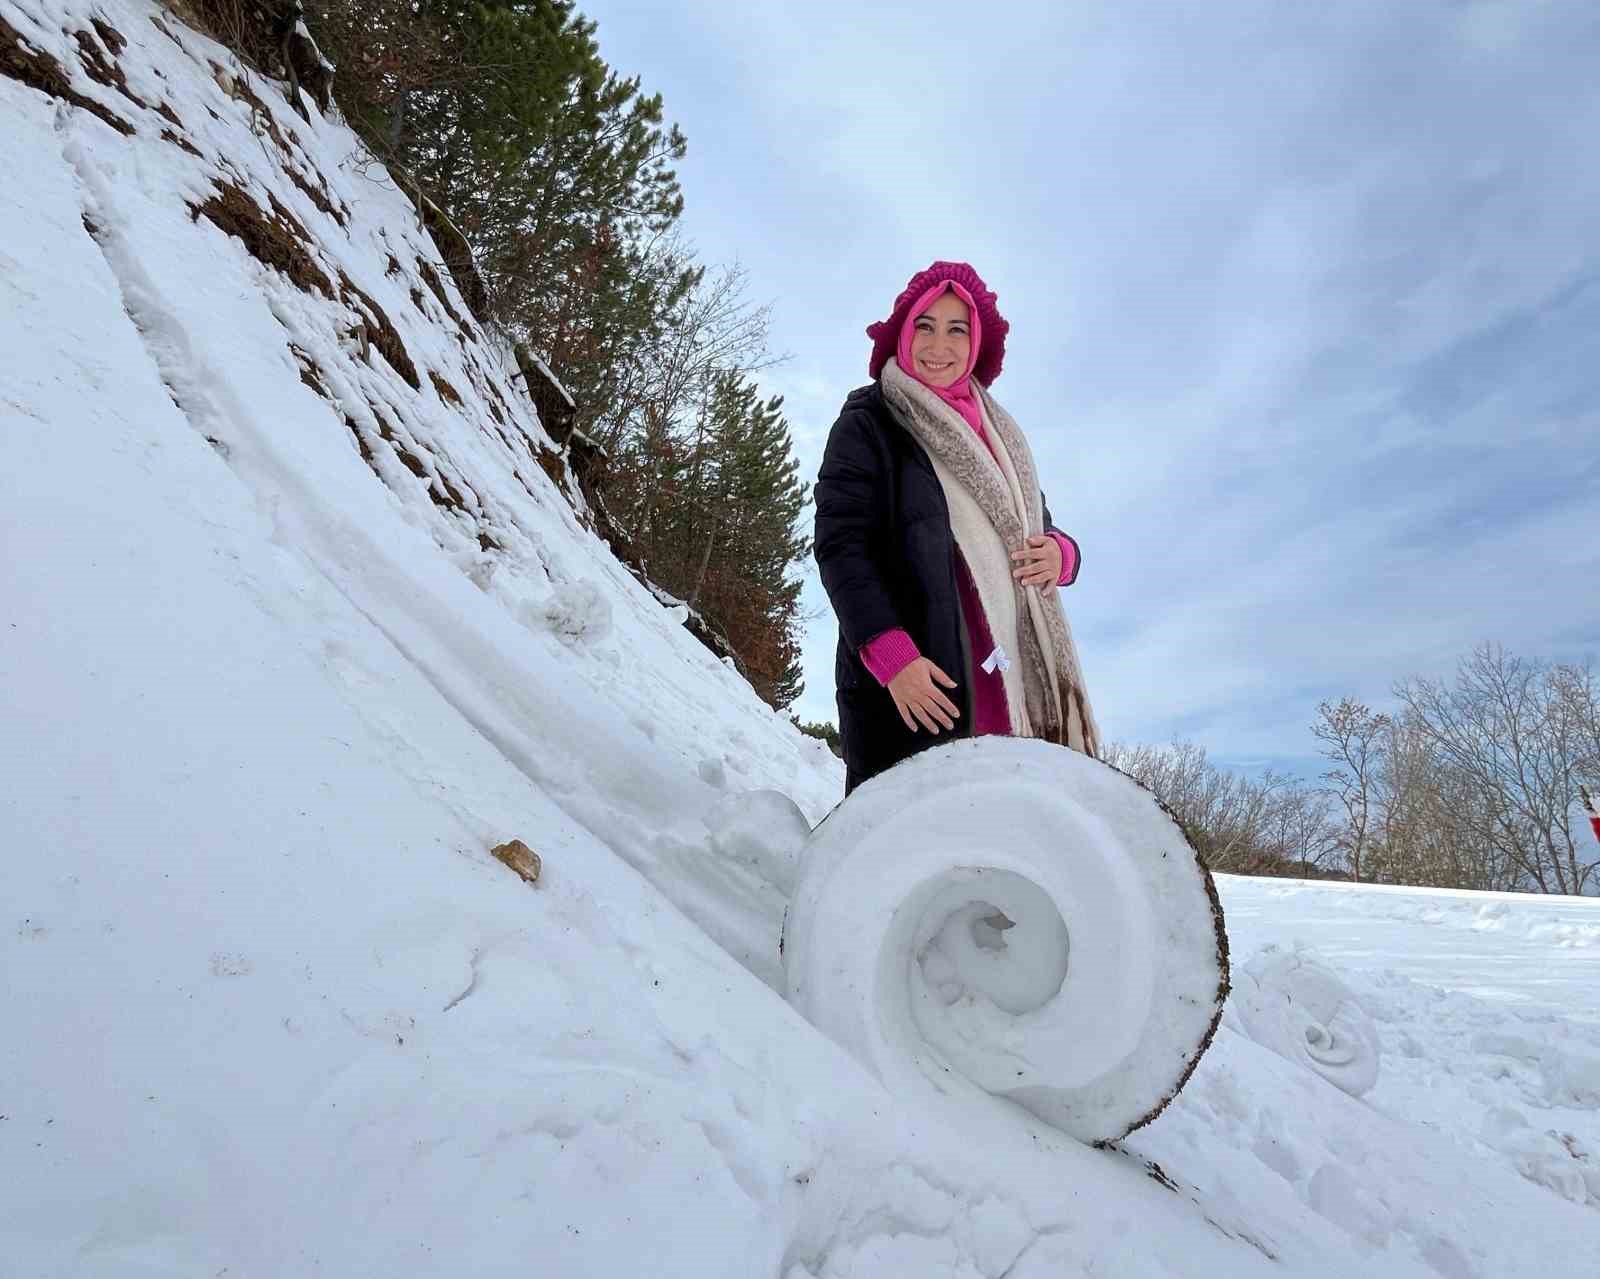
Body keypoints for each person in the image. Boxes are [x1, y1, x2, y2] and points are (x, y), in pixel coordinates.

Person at [814, 261, 1099, 794]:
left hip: (1006, 673)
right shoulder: (871, 421)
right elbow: (841, 546)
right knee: (903, 847)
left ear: (976, 345)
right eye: (925, 325)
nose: (938, 344)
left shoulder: (1001, 438)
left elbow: (1038, 523)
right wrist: (892, 657)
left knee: (1003, 841)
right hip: (919, 679)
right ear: (902, 331)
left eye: (956, 329)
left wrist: (1063, 554)